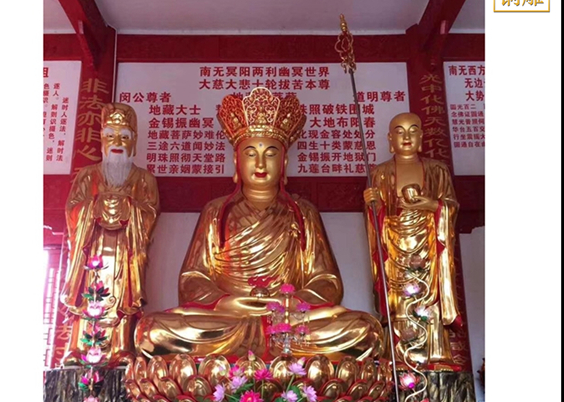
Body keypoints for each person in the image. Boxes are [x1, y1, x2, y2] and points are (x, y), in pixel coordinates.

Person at [135, 87, 382, 362]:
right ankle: (273, 353)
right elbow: (193, 279)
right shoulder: (216, 212)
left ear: (284, 161)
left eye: (271, 154)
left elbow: (327, 281)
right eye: (251, 153)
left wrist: (292, 302)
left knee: (364, 330)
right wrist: (227, 303)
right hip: (231, 320)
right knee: (152, 331)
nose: (261, 163)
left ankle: (252, 352)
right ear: (236, 160)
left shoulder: (303, 212)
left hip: (289, 320)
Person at [60, 103, 160, 362]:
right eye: (110, 135)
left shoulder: (144, 179)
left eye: (124, 136)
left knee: (125, 293)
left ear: (134, 141)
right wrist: (95, 206)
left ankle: (122, 347)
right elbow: (73, 209)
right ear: (101, 139)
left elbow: (150, 212)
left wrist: (128, 207)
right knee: (87, 292)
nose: (117, 142)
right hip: (91, 247)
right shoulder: (87, 175)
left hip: (126, 252)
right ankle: (78, 348)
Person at [363, 112, 461, 368]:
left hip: (429, 245)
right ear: (390, 139)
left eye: (413, 130)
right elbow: (377, 219)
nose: (406, 137)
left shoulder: (437, 170)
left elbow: (451, 206)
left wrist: (432, 205)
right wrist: (373, 206)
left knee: (429, 298)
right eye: (400, 131)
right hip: (395, 248)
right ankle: (399, 357)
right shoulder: (380, 173)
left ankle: (436, 354)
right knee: (399, 301)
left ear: (421, 137)